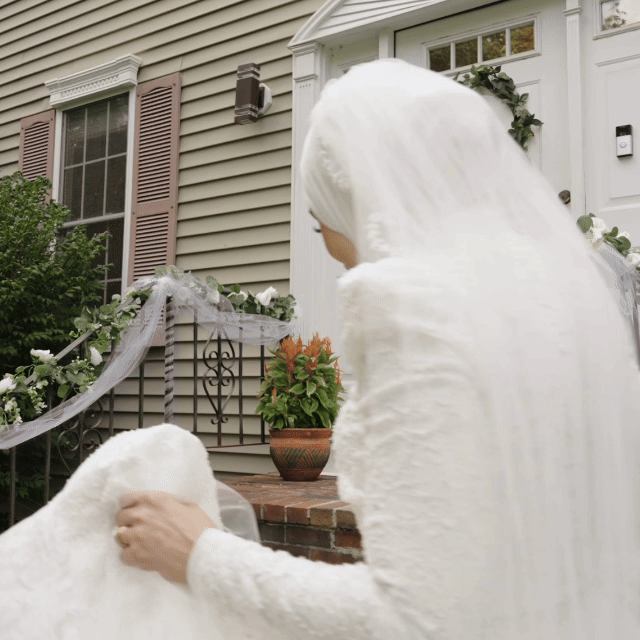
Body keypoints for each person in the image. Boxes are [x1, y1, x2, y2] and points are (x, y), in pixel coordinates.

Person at [114, 58, 640, 638]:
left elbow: (411, 616)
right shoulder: (565, 300)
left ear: (361, 204)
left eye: (323, 225)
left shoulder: (409, 307)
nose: (334, 251)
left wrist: (197, 552)